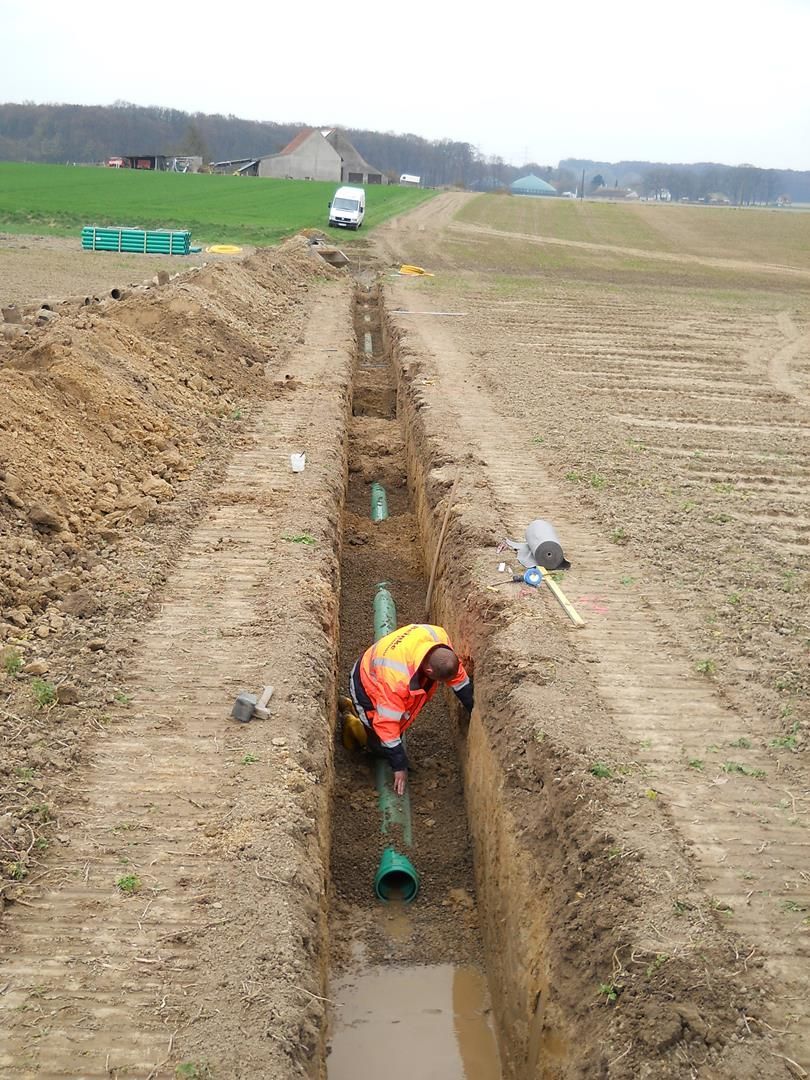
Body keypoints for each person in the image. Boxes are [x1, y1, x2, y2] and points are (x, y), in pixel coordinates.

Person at [340, 624, 473, 795]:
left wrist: (472, 706)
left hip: (383, 674)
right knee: (380, 743)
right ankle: (351, 723)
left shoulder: (440, 641)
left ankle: (351, 708)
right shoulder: (397, 681)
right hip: (366, 685)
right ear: (429, 670)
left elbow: (457, 676)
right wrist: (399, 766)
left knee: (397, 724)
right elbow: (387, 726)